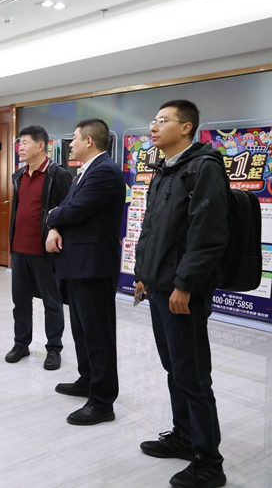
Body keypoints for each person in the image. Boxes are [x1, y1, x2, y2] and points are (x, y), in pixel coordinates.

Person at [134, 100, 228, 488]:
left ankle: (209, 462)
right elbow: (152, 229)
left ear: (186, 127)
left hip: (182, 291)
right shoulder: (164, 169)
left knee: (192, 374)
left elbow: (208, 235)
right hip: (159, 286)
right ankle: (184, 436)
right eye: (153, 120)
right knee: (174, 367)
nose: (153, 127)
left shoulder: (203, 168)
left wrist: (185, 285)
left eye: (163, 121)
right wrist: (143, 275)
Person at [45, 119, 124, 425]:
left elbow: (74, 210)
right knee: (81, 329)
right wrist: (55, 224)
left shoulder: (105, 171)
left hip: (94, 265)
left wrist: (52, 218)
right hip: (78, 264)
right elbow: (67, 207)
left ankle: (102, 402)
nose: (71, 144)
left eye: (75, 138)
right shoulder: (84, 172)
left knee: (98, 333)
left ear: (89, 141)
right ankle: (87, 379)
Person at [5, 125, 72, 370]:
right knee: (20, 301)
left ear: (41, 145)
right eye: (19, 143)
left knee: (51, 302)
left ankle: (54, 348)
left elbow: (68, 211)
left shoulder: (58, 174)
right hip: (19, 249)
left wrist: (56, 230)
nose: (20, 148)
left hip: (45, 251)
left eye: (24, 143)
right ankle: (21, 343)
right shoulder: (19, 175)